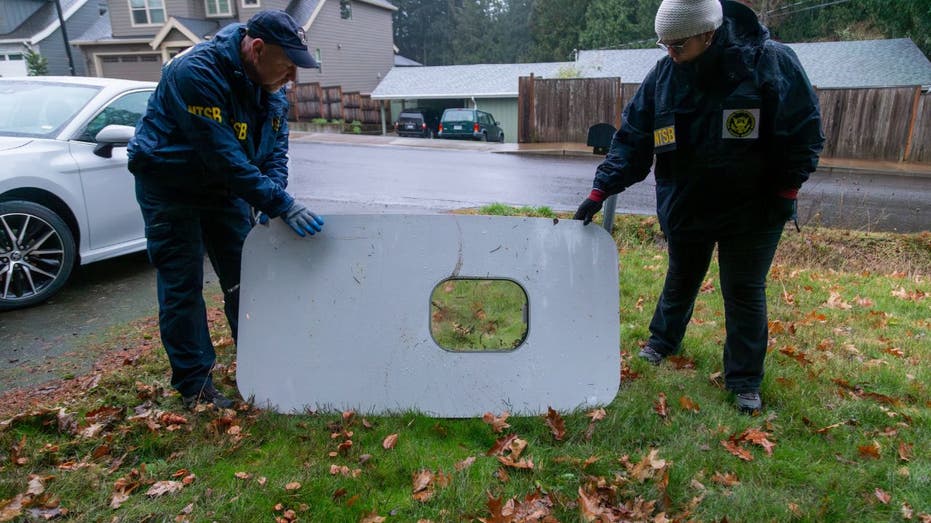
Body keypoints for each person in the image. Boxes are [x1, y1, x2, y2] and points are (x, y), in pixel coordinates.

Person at [573, 0, 823, 413]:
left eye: (678, 44)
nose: (669, 53)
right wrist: (600, 191)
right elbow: (634, 138)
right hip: (688, 203)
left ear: (708, 34)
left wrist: (786, 191)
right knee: (682, 275)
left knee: (743, 290)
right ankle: (662, 342)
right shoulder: (664, 77)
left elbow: (805, 131)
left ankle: (744, 381)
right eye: (664, 45)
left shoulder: (770, 63)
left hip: (753, 208)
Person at [128, 10, 325, 410]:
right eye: (287, 66)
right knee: (183, 286)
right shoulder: (195, 72)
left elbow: (274, 152)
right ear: (256, 49)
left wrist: (275, 196)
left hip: (225, 189)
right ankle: (195, 386)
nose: (292, 78)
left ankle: (260, 363)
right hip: (171, 185)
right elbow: (223, 156)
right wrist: (279, 202)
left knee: (246, 280)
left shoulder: (271, 88)